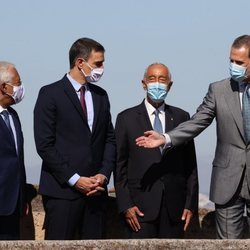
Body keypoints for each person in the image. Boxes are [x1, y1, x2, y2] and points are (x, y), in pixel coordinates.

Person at [136, 35, 250, 239]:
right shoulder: (219, 90)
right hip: (228, 182)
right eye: (231, 61)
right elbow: (198, 121)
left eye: (239, 62)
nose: (234, 66)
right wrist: (166, 138)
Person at [34, 38, 116, 240]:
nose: (102, 68)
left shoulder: (101, 96)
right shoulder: (50, 94)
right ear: (80, 62)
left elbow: (109, 139)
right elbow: (44, 145)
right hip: (62, 193)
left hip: (95, 194)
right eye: (98, 63)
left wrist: (103, 175)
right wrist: (75, 179)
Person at [115, 63, 198, 238]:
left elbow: (191, 166)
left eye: (162, 79)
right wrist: (125, 205)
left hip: (175, 209)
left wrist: (190, 205)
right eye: (152, 79)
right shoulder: (126, 118)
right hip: (140, 209)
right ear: (143, 83)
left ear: (170, 85)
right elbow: (119, 166)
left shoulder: (182, 117)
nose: (157, 83)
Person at [0, 61, 27, 239]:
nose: (20, 87)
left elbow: (18, 159)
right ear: (4, 87)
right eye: (17, 83)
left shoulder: (13, 115)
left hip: (13, 206)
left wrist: (22, 197)